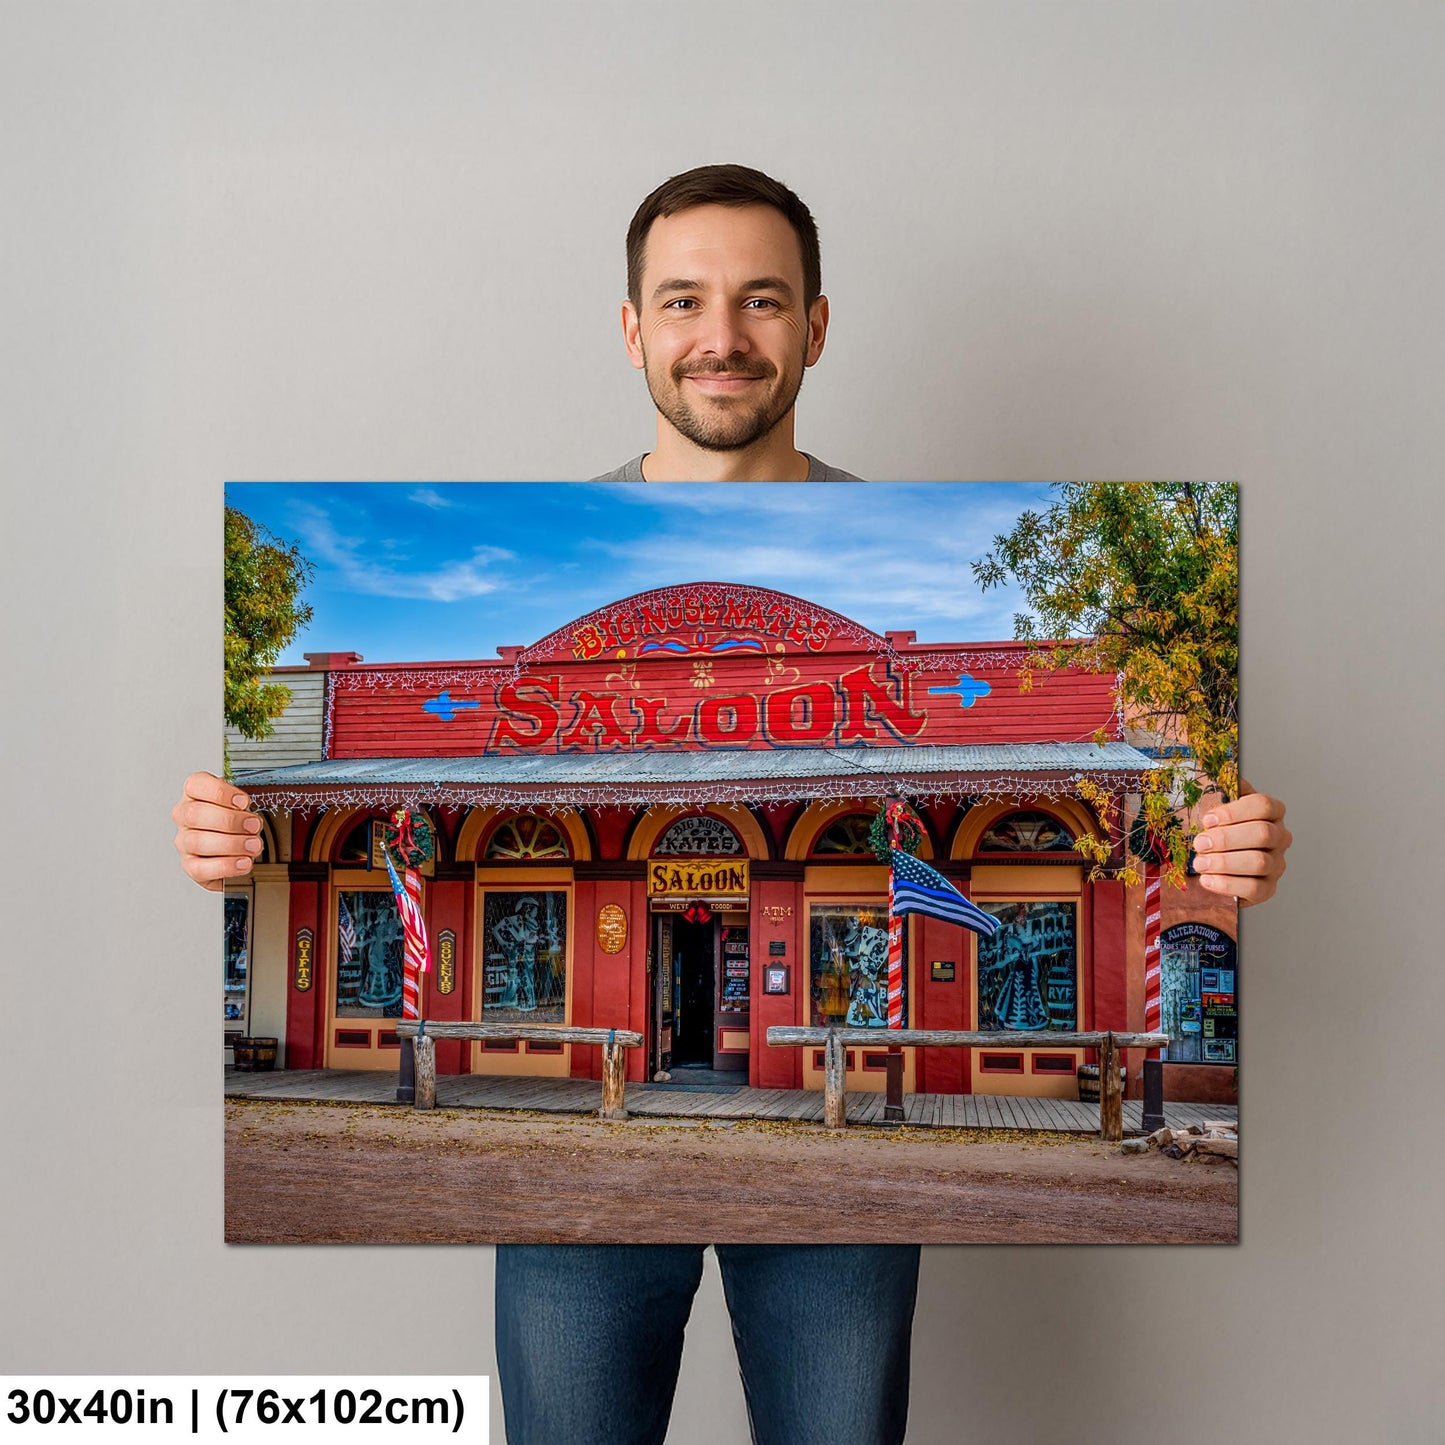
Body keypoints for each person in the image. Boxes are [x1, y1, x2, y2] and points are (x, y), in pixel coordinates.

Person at [174, 165, 1293, 1444]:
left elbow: (1168, 790)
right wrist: (220, 834)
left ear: (814, 325)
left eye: (761, 300)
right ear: (632, 325)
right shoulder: (539, 533)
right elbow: (260, 801)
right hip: (573, 1219)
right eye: (684, 299)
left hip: (836, 1215)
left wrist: (1235, 841)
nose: (721, 336)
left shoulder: (905, 533)